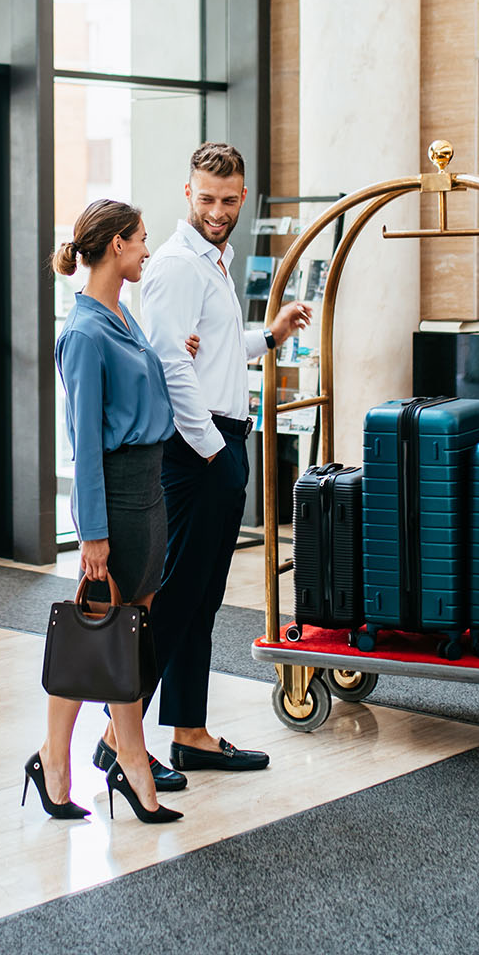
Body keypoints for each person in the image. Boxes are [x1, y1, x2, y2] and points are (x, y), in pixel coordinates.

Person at [94, 142, 310, 789]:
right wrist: (213, 451)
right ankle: (115, 740)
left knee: (201, 599)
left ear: (242, 197)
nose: (217, 210)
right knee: (176, 597)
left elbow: (210, 346)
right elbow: (172, 367)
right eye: (206, 199)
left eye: (227, 200)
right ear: (187, 194)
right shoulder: (179, 267)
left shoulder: (215, 261)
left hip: (217, 440)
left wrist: (269, 336)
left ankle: (189, 732)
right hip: (198, 449)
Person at [31, 199, 181, 823]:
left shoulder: (123, 316)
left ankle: (59, 758)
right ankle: (128, 762)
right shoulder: (87, 332)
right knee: (106, 629)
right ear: (117, 245)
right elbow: (84, 442)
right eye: (142, 240)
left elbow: (141, 394)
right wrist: (91, 532)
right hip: (115, 497)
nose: (148, 251)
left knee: (120, 634)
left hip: (148, 490)